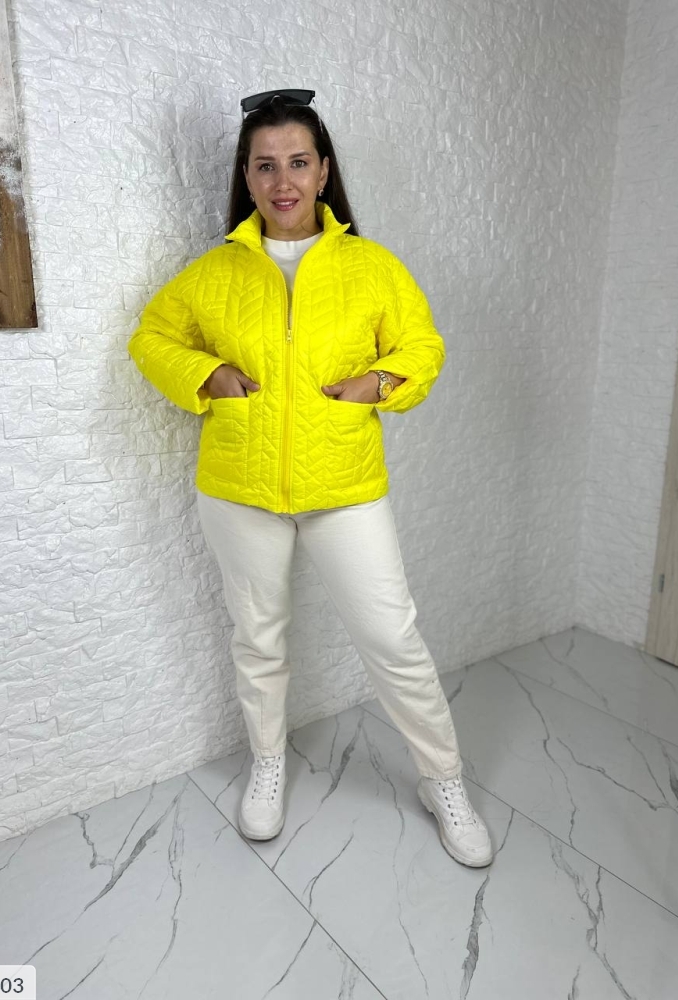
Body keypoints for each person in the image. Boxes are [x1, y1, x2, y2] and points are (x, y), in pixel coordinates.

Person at [127, 89, 493, 868]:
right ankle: (267, 763)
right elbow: (152, 336)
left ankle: (444, 779)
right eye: (265, 165)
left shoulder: (371, 267)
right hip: (239, 487)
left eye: (298, 162)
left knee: (391, 636)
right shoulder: (215, 273)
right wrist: (207, 373)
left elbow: (422, 347)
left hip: (344, 484)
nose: (282, 180)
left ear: (324, 171)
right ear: (247, 177)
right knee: (258, 638)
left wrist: (378, 384)